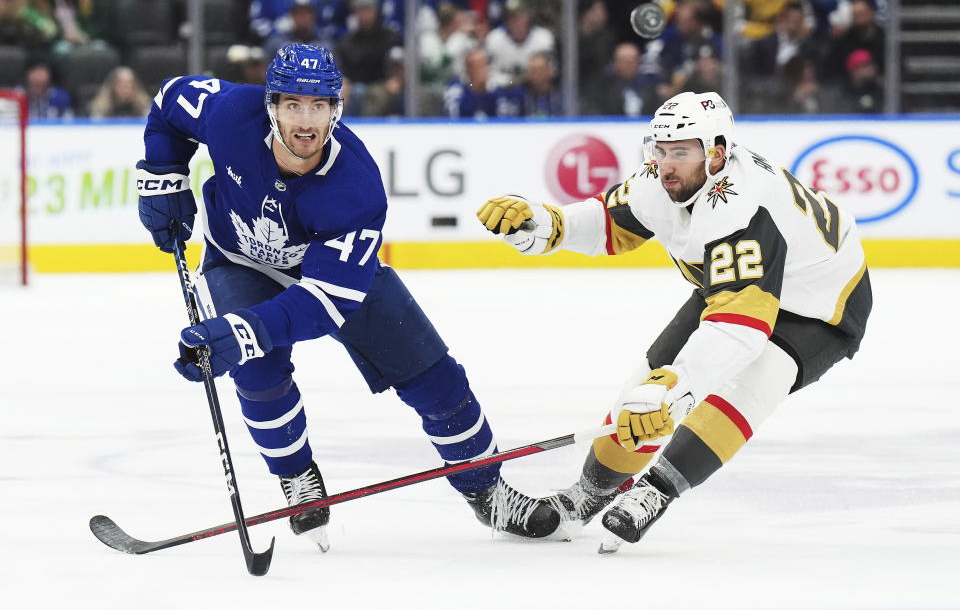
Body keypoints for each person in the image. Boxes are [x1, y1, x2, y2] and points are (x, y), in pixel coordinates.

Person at [134, 43, 561, 551]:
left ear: (337, 108)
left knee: (434, 375)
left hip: (329, 280)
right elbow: (167, 103)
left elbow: (324, 303)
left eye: (319, 105)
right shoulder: (230, 114)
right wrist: (161, 177)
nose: (306, 120)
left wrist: (242, 331)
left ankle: (488, 490)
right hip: (240, 260)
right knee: (258, 374)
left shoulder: (355, 186)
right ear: (270, 106)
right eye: (293, 104)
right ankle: (297, 477)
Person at [476, 91, 872, 551]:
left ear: (717, 152)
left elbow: (742, 324)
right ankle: (582, 500)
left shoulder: (740, 206)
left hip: (820, 304)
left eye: (680, 152)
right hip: (730, 289)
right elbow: (611, 222)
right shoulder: (660, 178)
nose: (665, 164)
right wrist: (546, 224)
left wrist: (679, 388)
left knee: (746, 389)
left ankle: (656, 492)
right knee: (639, 391)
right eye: (660, 150)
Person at [87, 66, 152, 118]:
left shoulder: (145, 106)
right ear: (112, 85)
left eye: (129, 84)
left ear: (135, 86)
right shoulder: (101, 107)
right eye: (120, 83)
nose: (125, 88)